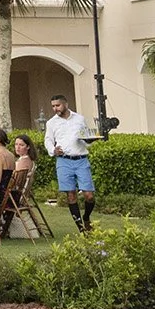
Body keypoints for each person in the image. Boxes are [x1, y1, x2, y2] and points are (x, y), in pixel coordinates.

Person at [45, 95, 97, 232]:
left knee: (89, 195)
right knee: (71, 194)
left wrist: (90, 141)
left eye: (58, 105)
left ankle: (86, 217)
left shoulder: (79, 119)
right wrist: (53, 150)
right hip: (63, 161)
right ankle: (81, 228)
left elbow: (85, 137)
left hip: (81, 159)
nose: (55, 108)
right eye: (53, 106)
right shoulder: (51, 123)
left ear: (66, 104)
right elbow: (48, 140)